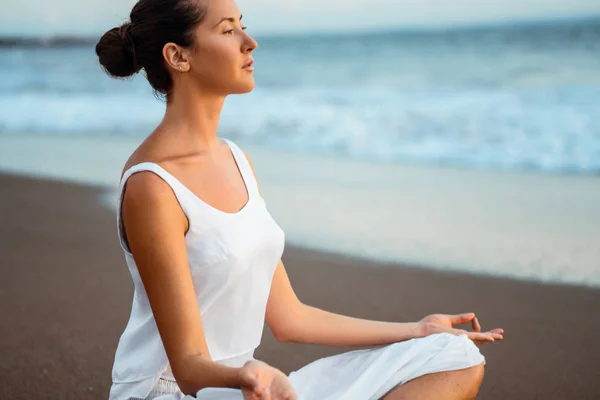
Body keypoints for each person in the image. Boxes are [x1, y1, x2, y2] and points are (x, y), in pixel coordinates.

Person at [95, 0, 504, 399]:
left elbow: (290, 318)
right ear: (178, 56)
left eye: (243, 24)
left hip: (249, 387)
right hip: (178, 391)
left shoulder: (237, 161)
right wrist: (248, 375)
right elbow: (187, 368)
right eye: (227, 29)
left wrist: (418, 329)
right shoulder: (154, 185)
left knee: (454, 355)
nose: (249, 41)